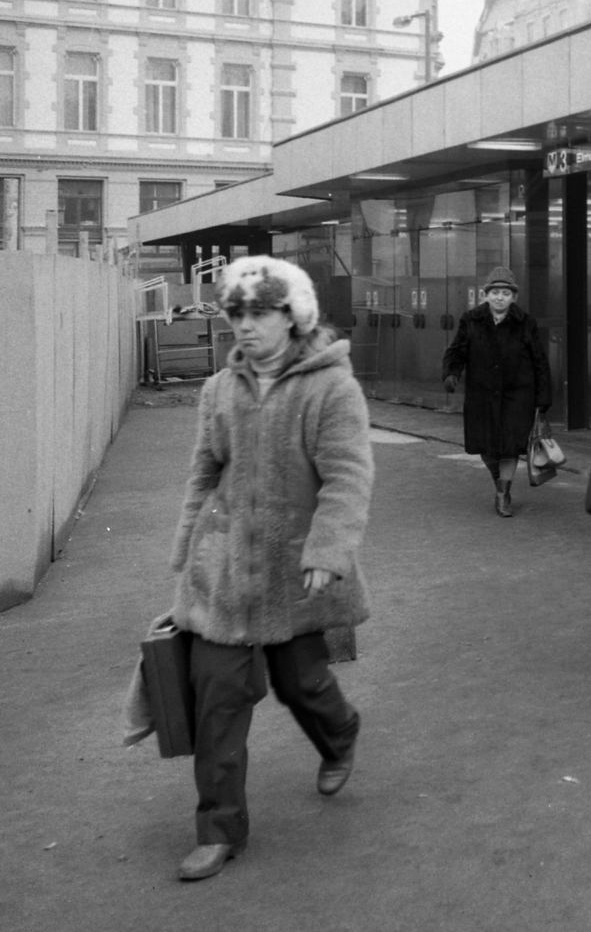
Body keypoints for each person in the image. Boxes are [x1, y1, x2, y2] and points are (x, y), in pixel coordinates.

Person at [168, 256, 373, 881]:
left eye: (260, 313)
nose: (246, 326)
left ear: (293, 316)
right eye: (237, 314)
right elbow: (206, 472)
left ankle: (338, 734)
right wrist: (185, 549)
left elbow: (347, 474)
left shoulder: (330, 386)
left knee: (302, 683)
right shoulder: (218, 390)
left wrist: (328, 551)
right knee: (217, 699)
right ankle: (219, 829)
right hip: (225, 571)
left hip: (297, 567)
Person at [441, 265, 553, 518]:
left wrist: (542, 399)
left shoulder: (526, 323)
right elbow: (457, 351)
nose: (499, 297)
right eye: (494, 292)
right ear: (486, 295)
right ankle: (499, 482)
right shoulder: (471, 320)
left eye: (505, 293)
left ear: (513, 297)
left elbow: (539, 362)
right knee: (486, 447)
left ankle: (503, 494)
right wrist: (452, 373)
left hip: (517, 396)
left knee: (509, 446)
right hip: (481, 394)